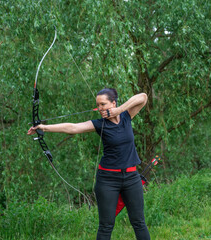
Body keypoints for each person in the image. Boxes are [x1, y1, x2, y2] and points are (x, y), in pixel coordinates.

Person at [27, 88, 150, 240]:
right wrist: (44, 127)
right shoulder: (99, 124)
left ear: (113, 102)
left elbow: (143, 97)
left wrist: (118, 110)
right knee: (106, 226)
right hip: (108, 179)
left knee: (139, 222)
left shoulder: (126, 116)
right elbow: (73, 127)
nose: (100, 109)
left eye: (103, 104)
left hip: (132, 177)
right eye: (98, 105)